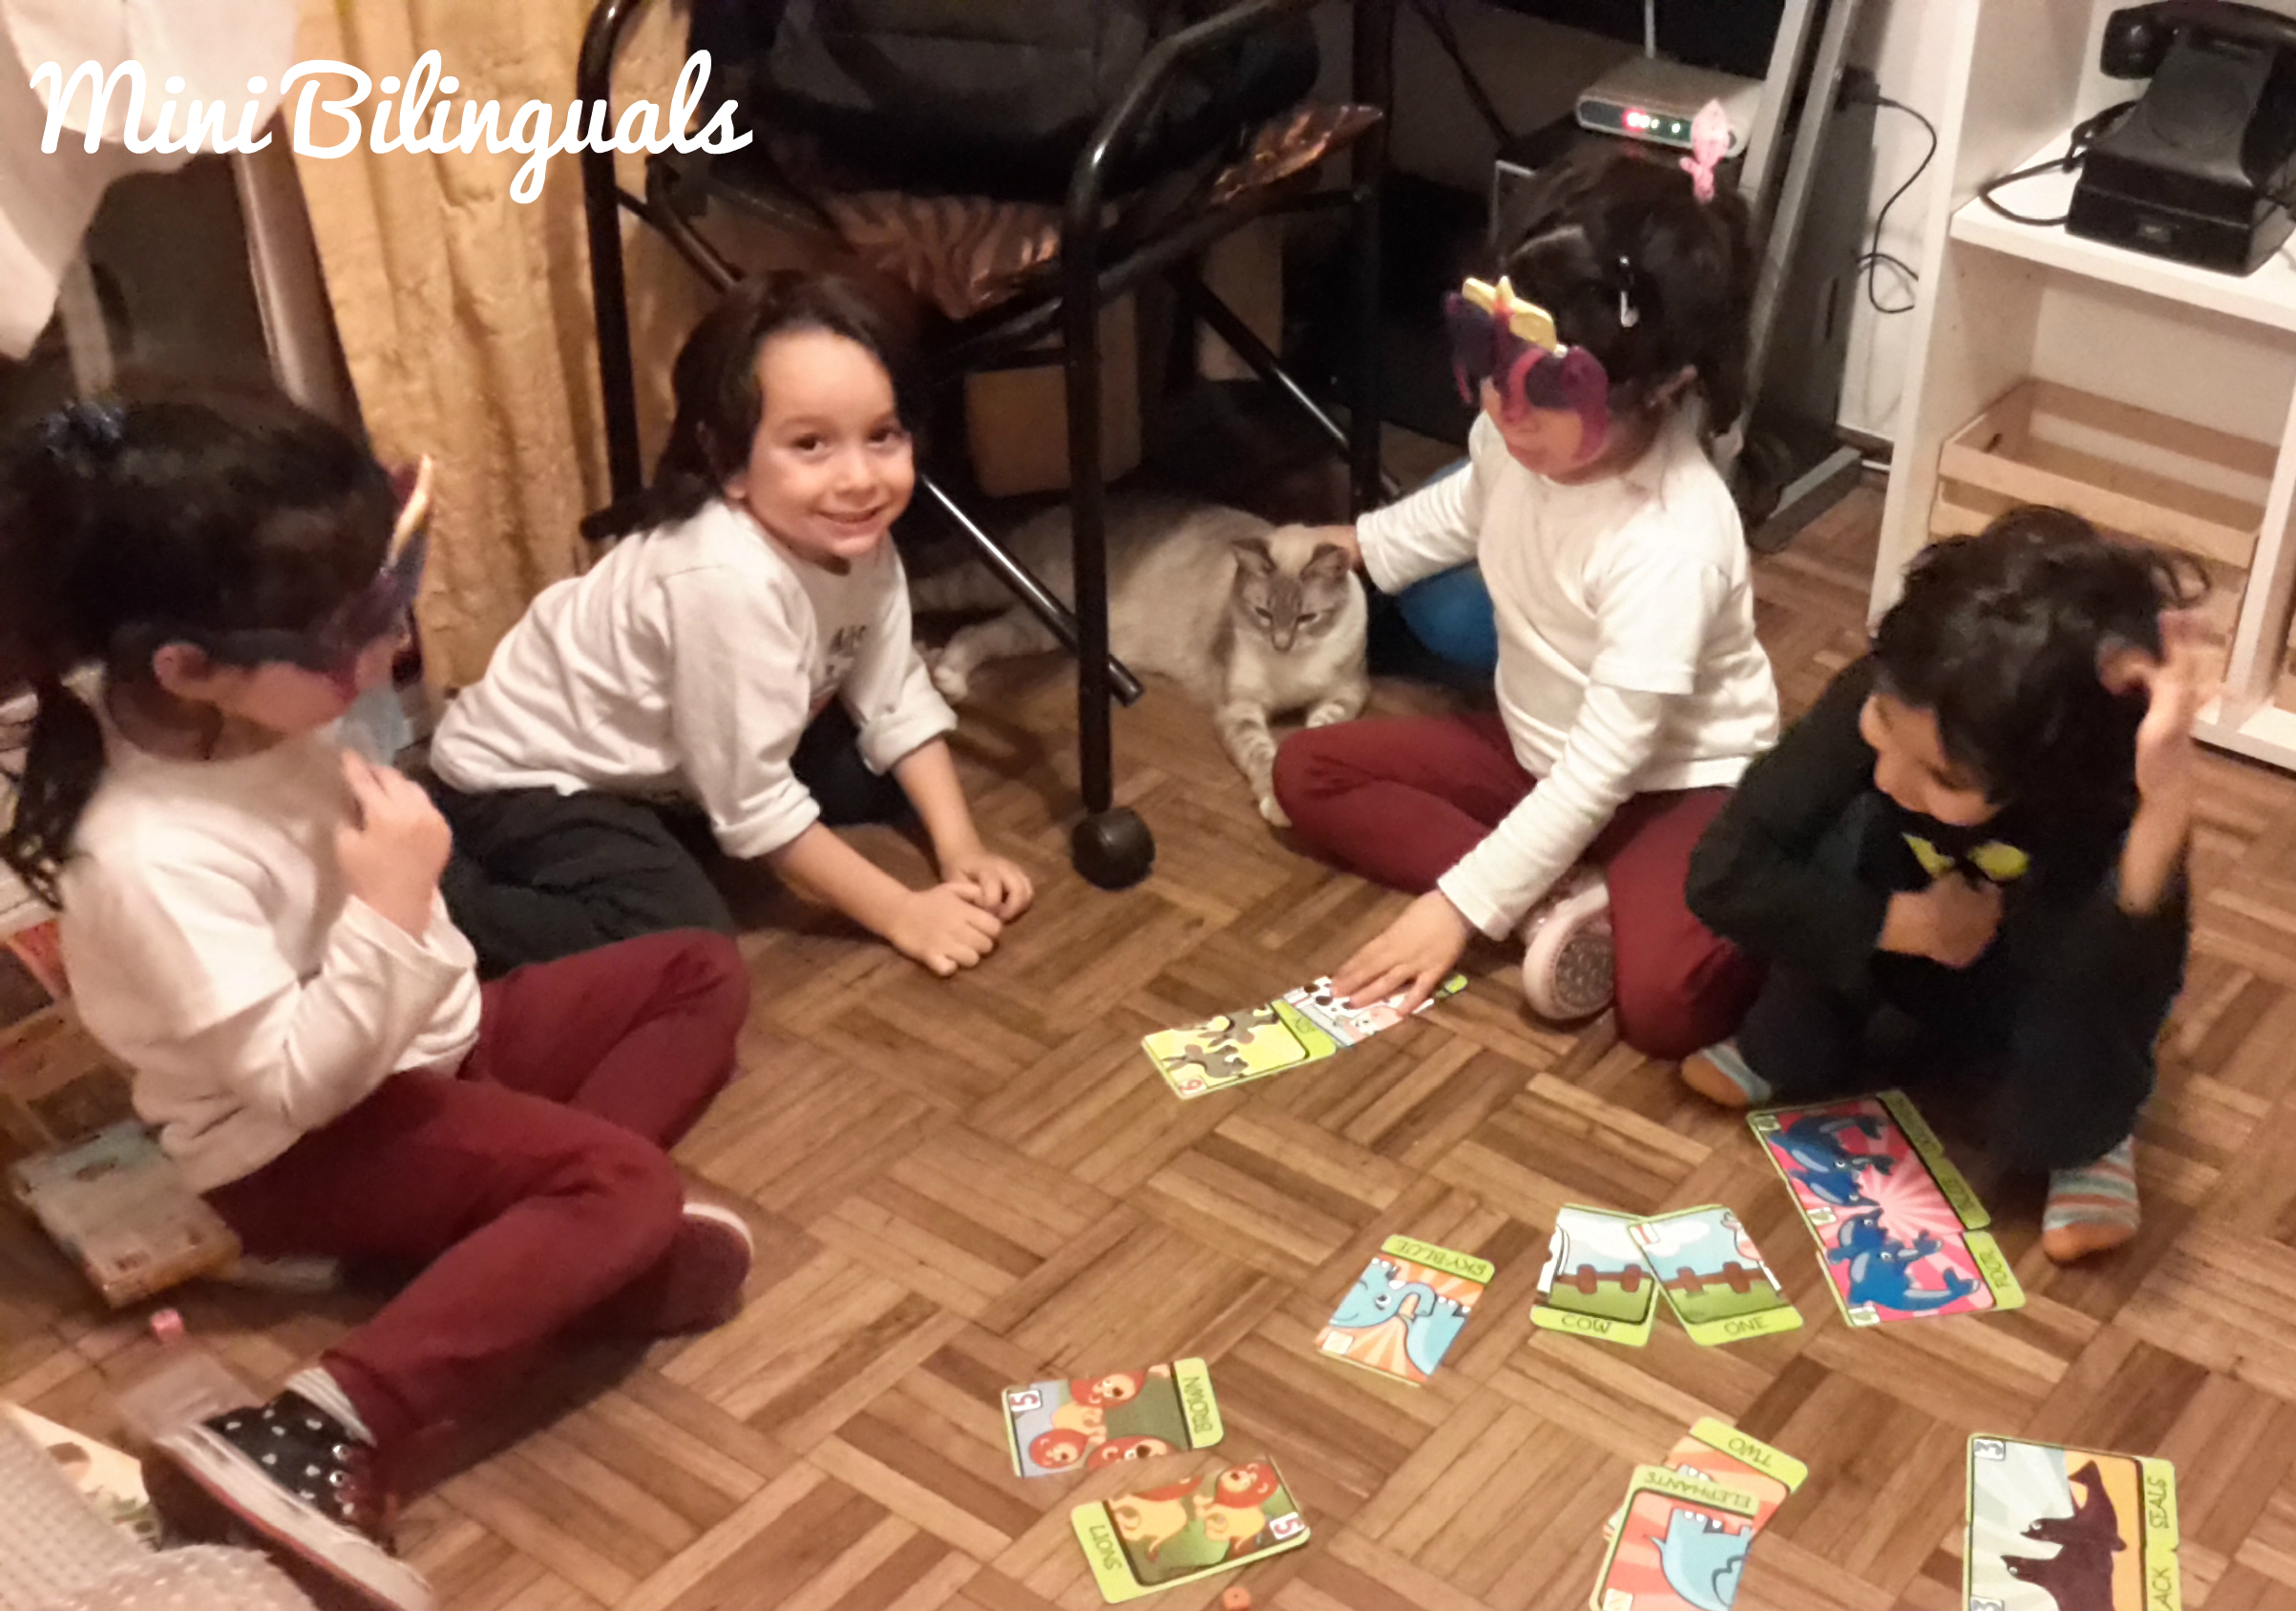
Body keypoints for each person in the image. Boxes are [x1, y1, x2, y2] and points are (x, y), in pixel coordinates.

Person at [4, 390, 755, 1611]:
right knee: (626, 1187)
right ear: (188, 667)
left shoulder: (245, 721)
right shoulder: (142, 854)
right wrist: (392, 910)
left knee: (695, 967)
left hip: (432, 1044)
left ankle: (527, 1243)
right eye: (342, 639)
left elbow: (401, 964)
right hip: (299, 1144)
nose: (380, 660)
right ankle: (309, 1427)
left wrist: (406, 932)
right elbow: (298, 1080)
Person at [1272, 131, 1776, 1057]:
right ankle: (1556, 895)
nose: (1505, 406)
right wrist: (1363, 545)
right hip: (1534, 743)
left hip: (1674, 783)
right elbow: (1468, 506)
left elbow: (1606, 763)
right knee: (1306, 771)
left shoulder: (1670, 540)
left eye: (1551, 386)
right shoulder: (1514, 432)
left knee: (1662, 1005)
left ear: (1664, 387)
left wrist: (1454, 910)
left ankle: (1636, 890)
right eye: (1486, 351)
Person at [427, 272, 1033, 978]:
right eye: (811, 444)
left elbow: (893, 690)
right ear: (727, 462)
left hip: (668, 760)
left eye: (882, 437)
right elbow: (753, 803)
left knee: (880, 776)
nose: (860, 479)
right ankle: (429, 896)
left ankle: (678, 823)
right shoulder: (723, 581)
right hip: (530, 780)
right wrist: (903, 912)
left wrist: (961, 850)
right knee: (679, 934)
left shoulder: (856, 535)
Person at [1681, 508, 2201, 1265]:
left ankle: (2089, 1139)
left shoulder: (2089, 785)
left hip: (2025, 988)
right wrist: (1903, 924)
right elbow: (1723, 871)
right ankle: (1786, 1043)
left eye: (1941, 776)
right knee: (1829, 838)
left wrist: (2165, 803)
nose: (1893, 771)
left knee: (2104, 937)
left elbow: (2135, 968)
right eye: (1882, 725)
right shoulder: (1894, 696)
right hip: (1904, 941)